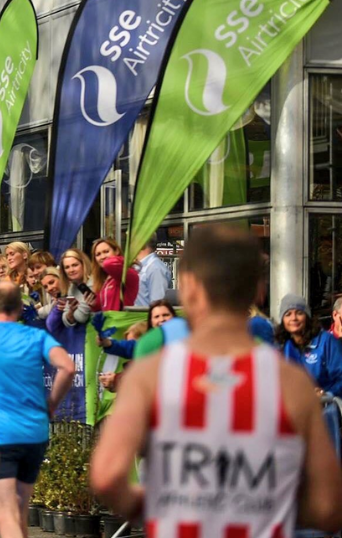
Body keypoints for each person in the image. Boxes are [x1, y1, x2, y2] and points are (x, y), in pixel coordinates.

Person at [90, 225, 342, 537]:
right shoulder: (291, 383)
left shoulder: (151, 374)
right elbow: (329, 506)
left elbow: (106, 476)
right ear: (259, 290)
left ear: (187, 287)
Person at [0, 281, 75, 538]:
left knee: (6, 516)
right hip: (35, 434)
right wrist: (52, 404)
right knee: (20, 513)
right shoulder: (36, 336)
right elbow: (68, 367)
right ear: (21, 308)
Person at [275, 294, 342, 397]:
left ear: (307, 317)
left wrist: (326, 394)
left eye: (299, 313)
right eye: (288, 314)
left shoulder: (326, 341)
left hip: (325, 407)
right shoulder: (282, 346)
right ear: (282, 320)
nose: (294, 318)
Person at [90, 238, 139, 312]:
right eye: (98, 254)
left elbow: (108, 264)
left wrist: (124, 260)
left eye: (106, 251)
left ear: (116, 251)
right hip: (109, 322)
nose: (102, 256)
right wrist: (94, 304)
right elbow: (106, 307)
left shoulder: (128, 273)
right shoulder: (106, 278)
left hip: (122, 321)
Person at [132, 238, 171, 307]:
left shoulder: (155, 268)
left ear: (142, 244)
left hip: (144, 316)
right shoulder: (138, 266)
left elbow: (157, 304)